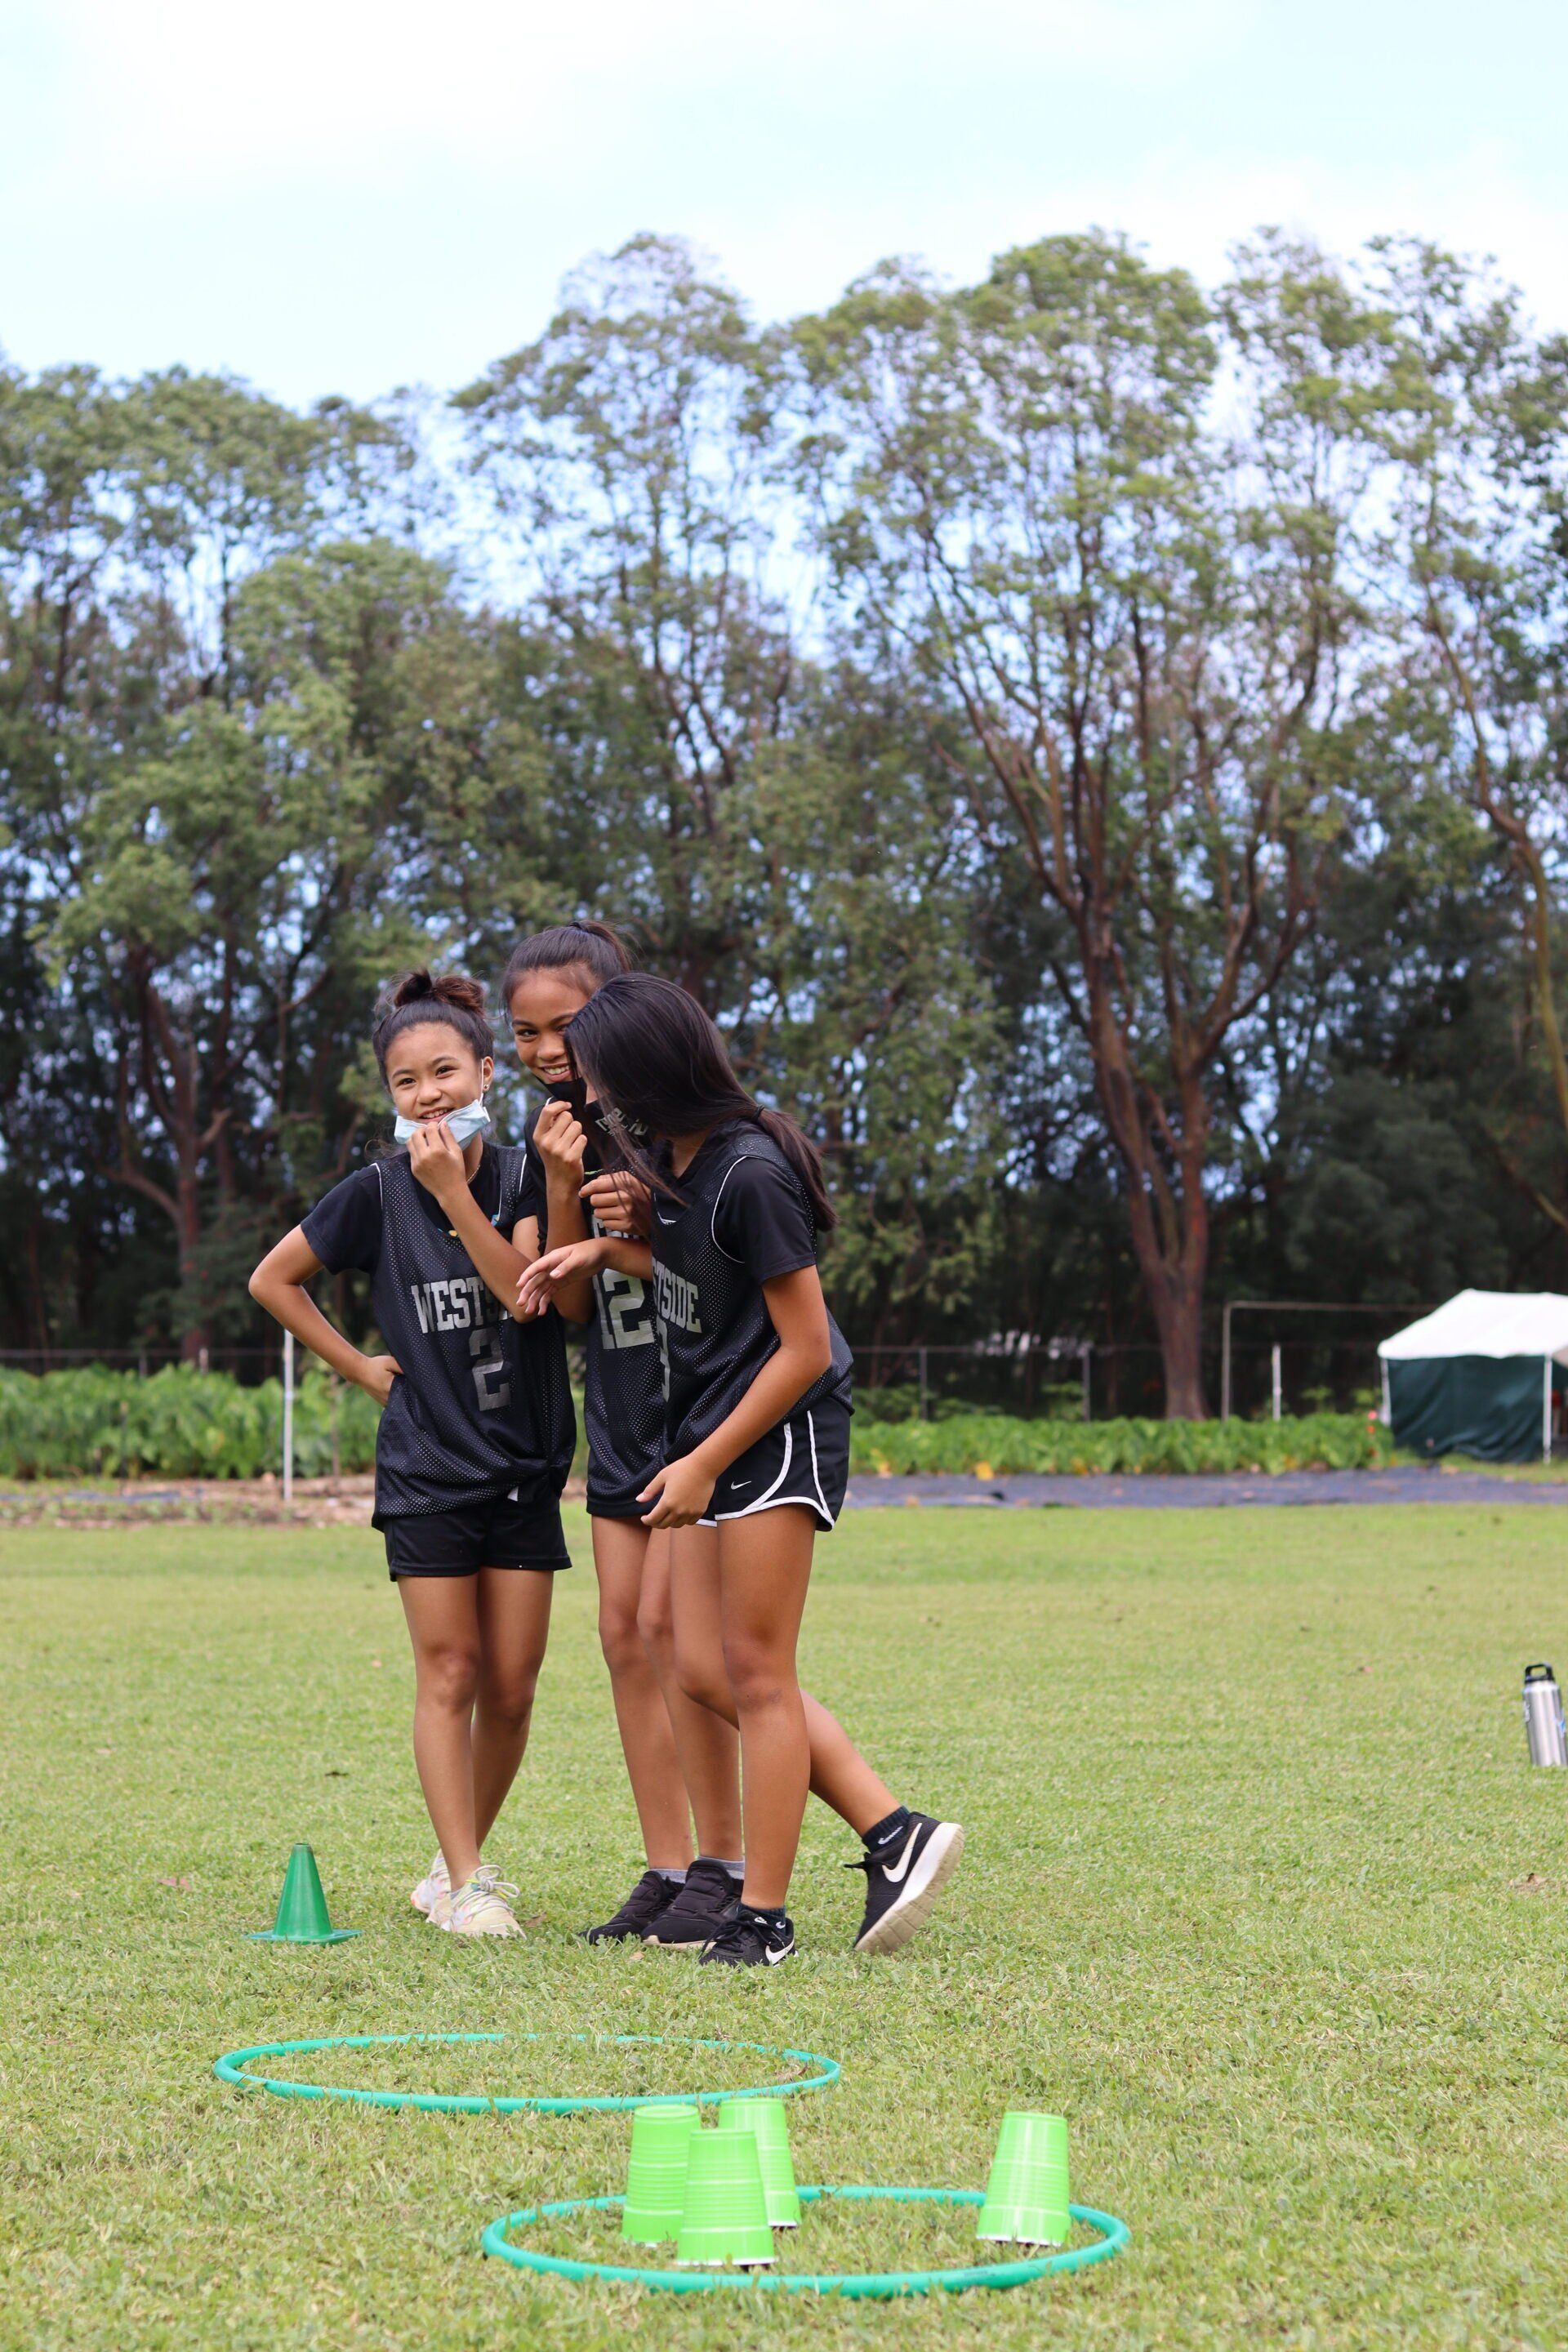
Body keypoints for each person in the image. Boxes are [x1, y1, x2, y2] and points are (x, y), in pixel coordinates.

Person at [518, 972, 964, 1967]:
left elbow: (803, 1347)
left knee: (757, 1677)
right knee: (697, 1667)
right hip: (713, 1430)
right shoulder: (675, 1167)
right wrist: (606, 1255)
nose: (591, 1099)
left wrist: (704, 1462)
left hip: (775, 1434)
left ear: (648, 1075)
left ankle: (763, 1917)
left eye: (600, 1081)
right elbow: (702, 1281)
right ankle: (894, 1831)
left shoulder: (749, 1172)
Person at [248, 969, 574, 1939]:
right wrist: (361, 1368)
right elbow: (274, 1280)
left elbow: (529, 1297)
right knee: (451, 1672)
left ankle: (447, 1865)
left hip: (524, 1466)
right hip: (429, 1469)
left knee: (511, 1689)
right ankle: (470, 1882)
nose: (427, 1094)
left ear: (486, 1072)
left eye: (444, 1072)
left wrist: (453, 1194)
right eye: (406, 1081)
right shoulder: (376, 1194)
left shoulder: (523, 1178)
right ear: (389, 1094)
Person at [503, 923, 747, 1949]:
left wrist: (641, 1222)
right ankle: (667, 1866)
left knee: (684, 1641)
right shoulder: (549, 1137)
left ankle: (728, 1864)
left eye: (564, 1025)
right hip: (619, 1408)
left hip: (697, 1411)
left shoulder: (672, 1120)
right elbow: (560, 1302)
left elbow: (730, 1266)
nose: (546, 1049)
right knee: (622, 1637)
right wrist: (565, 1189)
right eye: (525, 1032)